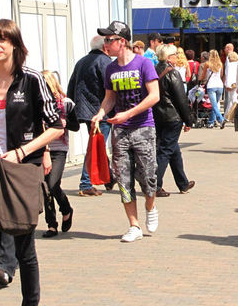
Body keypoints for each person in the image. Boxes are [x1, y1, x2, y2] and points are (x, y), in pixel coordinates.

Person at [0, 19, 63, 305]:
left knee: (25, 250)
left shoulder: (31, 79)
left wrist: (24, 152)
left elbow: (57, 125)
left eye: (2, 40)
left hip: (22, 173)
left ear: (14, 44)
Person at [91, 21, 161, 243]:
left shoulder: (143, 64)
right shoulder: (110, 68)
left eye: (109, 40)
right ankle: (134, 225)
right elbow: (110, 98)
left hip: (143, 127)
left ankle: (151, 206)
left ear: (122, 42)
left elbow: (154, 96)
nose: (106, 44)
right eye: (104, 40)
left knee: (148, 177)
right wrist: (101, 113)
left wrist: (128, 114)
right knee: (123, 178)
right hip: (120, 130)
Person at [67, 35, 113, 197]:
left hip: (86, 111)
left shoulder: (82, 61)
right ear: (105, 46)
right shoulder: (105, 62)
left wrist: (72, 109)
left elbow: (72, 85)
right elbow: (111, 89)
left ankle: (109, 178)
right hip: (101, 111)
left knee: (97, 143)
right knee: (94, 146)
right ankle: (86, 182)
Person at [153, 44, 195, 197]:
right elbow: (181, 99)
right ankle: (155, 185)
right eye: (175, 55)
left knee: (173, 150)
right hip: (172, 117)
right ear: (169, 57)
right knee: (165, 150)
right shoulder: (173, 73)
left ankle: (182, 183)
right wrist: (188, 120)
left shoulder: (153, 70)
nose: (177, 58)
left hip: (158, 116)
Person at [40, 71, 75, 239]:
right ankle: (51, 224)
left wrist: (66, 122)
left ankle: (66, 208)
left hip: (59, 148)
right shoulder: (37, 102)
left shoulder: (66, 103)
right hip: (41, 149)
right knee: (45, 188)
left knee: (53, 184)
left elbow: (75, 125)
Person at [199, 49, 225, 129]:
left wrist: (199, 79)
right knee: (215, 105)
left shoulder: (207, 64)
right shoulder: (220, 64)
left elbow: (203, 76)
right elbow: (221, 75)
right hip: (219, 85)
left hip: (211, 86)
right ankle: (211, 122)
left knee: (214, 105)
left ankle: (221, 119)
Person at [224, 51, 238, 119]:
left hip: (232, 84)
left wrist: (228, 85)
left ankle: (228, 116)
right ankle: (227, 116)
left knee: (233, 100)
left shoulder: (230, 65)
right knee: (232, 101)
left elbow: (229, 75)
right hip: (237, 84)